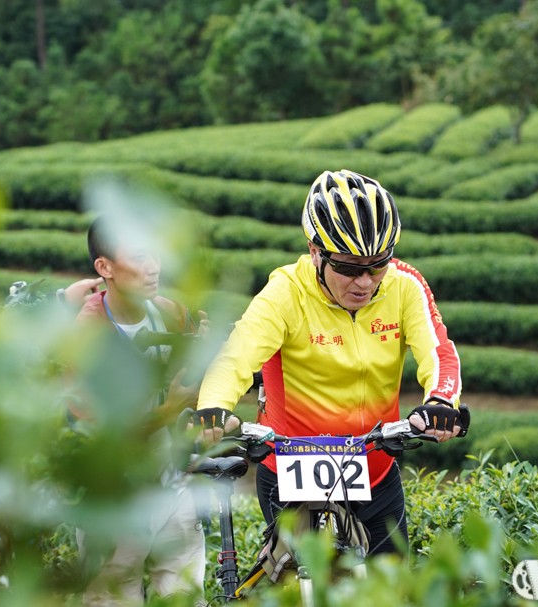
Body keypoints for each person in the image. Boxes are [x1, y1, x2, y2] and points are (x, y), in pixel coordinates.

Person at [192, 169, 465, 556]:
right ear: (315, 251)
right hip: (291, 469)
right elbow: (236, 357)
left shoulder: (404, 284)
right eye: (349, 268)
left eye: (378, 265)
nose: (365, 282)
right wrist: (213, 408)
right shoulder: (285, 292)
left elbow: (438, 351)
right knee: (307, 588)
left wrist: (440, 401)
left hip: (375, 467)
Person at [73, 214, 209, 605]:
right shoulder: (86, 336)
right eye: (139, 254)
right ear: (105, 267)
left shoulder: (169, 312)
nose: (154, 266)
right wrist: (169, 409)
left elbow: (192, 391)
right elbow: (96, 435)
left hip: (171, 489)